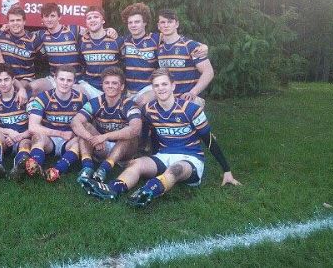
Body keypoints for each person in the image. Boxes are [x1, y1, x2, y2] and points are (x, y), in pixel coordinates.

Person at [82, 68, 240, 207]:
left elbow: (209, 140)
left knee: (175, 169)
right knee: (136, 164)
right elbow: (149, 135)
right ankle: (113, 189)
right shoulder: (149, 109)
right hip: (163, 155)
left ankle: (148, 191)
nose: (161, 88)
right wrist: (145, 156)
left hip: (190, 158)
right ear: (153, 89)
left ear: (173, 86)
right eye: (156, 85)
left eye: (164, 84)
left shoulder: (191, 109)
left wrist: (227, 170)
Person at [71, 67, 142, 185]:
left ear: (122, 87)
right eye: (107, 83)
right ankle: (87, 167)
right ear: (102, 85)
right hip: (101, 146)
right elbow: (75, 122)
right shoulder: (96, 102)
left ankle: (104, 169)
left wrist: (105, 137)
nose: (110, 86)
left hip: (124, 151)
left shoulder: (129, 104)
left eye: (115, 83)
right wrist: (91, 138)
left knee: (129, 134)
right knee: (84, 126)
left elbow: (135, 129)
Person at [24, 65, 87, 182]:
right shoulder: (43, 97)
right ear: (54, 79)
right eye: (61, 79)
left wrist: (74, 134)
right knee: (37, 136)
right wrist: (59, 133)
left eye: (69, 80)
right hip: (49, 139)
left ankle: (57, 170)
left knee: (81, 141)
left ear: (74, 82)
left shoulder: (82, 99)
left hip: (70, 141)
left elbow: (87, 126)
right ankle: (35, 165)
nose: (65, 83)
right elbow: (32, 126)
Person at [154, 9, 213, 102]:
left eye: (170, 22)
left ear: (176, 24)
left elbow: (208, 72)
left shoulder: (190, 46)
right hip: (168, 101)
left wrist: (193, 92)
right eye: (162, 22)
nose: (166, 25)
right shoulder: (158, 47)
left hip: (188, 100)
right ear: (158, 26)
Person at [0, 63, 32, 179]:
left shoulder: (26, 98)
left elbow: (35, 126)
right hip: (6, 139)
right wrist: (9, 132)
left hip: (24, 136)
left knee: (26, 143)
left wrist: (19, 136)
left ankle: (18, 168)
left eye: (6, 79)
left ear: (13, 80)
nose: (3, 83)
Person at [28, 3, 83, 96]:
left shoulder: (73, 30)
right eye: (46, 16)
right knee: (32, 87)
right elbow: (22, 33)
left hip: (75, 80)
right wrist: (7, 27)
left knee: (82, 95)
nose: (49, 19)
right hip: (54, 79)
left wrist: (108, 30)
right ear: (42, 19)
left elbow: (93, 31)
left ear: (59, 17)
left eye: (52, 16)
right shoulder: (41, 35)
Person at [0, 5, 43, 93]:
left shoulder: (34, 39)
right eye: (12, 21)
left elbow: (43, 63)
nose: (15, 23)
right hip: (5, 77)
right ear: (8, 22)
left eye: (18, 20)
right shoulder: (0, 35)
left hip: (25, 79)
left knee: (20, 89)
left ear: (24, 21)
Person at [78, 6, 122, 100]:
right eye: (89, 18)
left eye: (96, 17)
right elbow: (81, 64)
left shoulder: (115, 40)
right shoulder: (82, 41)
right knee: (72, 90)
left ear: (103, 21)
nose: (92, 20)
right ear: (86, 22)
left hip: (111, 88)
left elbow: (125, 64)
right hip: (90, 86)